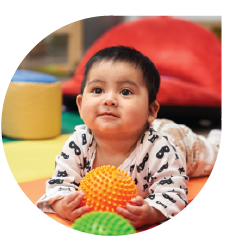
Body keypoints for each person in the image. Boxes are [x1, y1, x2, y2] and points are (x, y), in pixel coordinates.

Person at [36, 46, 221, 228]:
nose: (109, 100)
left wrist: (152, 212)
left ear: (150, 110)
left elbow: (174, 192)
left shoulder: (161, 149)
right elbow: (59, 183)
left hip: (180, 141)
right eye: (98, 90)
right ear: (80, 104)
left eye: (125, 91)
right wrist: (62, 204)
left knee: (217, 155)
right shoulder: (78, 142)